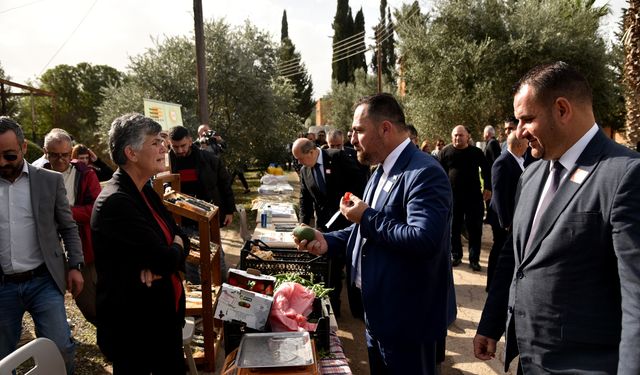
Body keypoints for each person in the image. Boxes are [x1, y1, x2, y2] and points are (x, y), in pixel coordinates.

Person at [473, 62, 640, 374]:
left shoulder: (625, 174)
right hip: (530, 362)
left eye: (527, 119)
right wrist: (491, 322)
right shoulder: (532, 174)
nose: (519, 131)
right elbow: (515, 255)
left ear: (562, 110)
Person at [297, 93, 454, 374]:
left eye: (358, 130)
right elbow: (363, 232)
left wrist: (367, 216)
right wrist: (326, 241)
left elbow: (423, 239)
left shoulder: (424, 172)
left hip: (407, 320)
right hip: (378, 316)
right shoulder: (380, 171)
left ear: (385, 128)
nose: (352, 139)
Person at [91, 113, 189, 374]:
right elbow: (167, 257)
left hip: (161, 323)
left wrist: (171, 249)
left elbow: (179, 235)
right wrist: (168, 255)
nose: (164, 148)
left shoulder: (144, 189)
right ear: (131, 153)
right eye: (156, 142)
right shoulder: (116, 201)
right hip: (136, 331)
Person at [0, 117, 84, 374]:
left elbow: (68, 226)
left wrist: (75, 265)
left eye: (9, 155)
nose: (2, 162)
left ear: (24, 148)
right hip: (2, 286)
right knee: (2, 357)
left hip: (43, 281)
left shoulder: (49, 181)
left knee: (60, 348)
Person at [32, 131, 101, 326]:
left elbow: (95, 209)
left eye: (65, 154)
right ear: (46, 152)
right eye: (55, 155)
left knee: (87, 299)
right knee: (51, 296)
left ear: (71, 152)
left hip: (81, 244)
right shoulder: (37, 174)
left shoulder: (85, 174)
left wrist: (63, 213)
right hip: (49, 246)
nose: (61, 159)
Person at [292, 137, 366, 317]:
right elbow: (305, 200)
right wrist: (303, 222)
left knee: (353, 266)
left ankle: (359, 309)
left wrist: (354, 205)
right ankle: (333, 311)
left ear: (311, 152)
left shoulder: (337, 157)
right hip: (324, 226)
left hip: (348, 221)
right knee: (329, 271)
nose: (298, 162)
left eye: (300, 158)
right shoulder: (304, 171)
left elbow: (359, 179)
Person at [438, 125, 491, 271]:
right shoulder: (445, 152)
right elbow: (438, 173)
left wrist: (488, 187)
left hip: (473, 197)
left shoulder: (476, 152)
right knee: (453, 227)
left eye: (461, 135)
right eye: (455, 135)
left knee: (474, 229)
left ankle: (474, 259)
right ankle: (456, 255)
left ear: (468, 136)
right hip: (452, 198)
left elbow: (486, 170)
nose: (457, 138)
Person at [168, 125, 235, 228]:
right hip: (181, 217)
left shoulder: (210, 159)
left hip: (208, 215)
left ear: (190, 141)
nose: (180, 150)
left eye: (183, 145)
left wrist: (229, 211)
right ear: (170, 144)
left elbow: (225, 184)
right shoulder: (166, 163)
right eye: (175, 147)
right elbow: (162, 184)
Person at [485, 133, 526, 291]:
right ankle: (492, 285)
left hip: (512, 216)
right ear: (519, 145)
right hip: (502, 218)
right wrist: (506, 222)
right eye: (526, 142)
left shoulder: (519, 160)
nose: (528, 145)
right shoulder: (502, 162)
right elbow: (499, 194)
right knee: (499, 251)